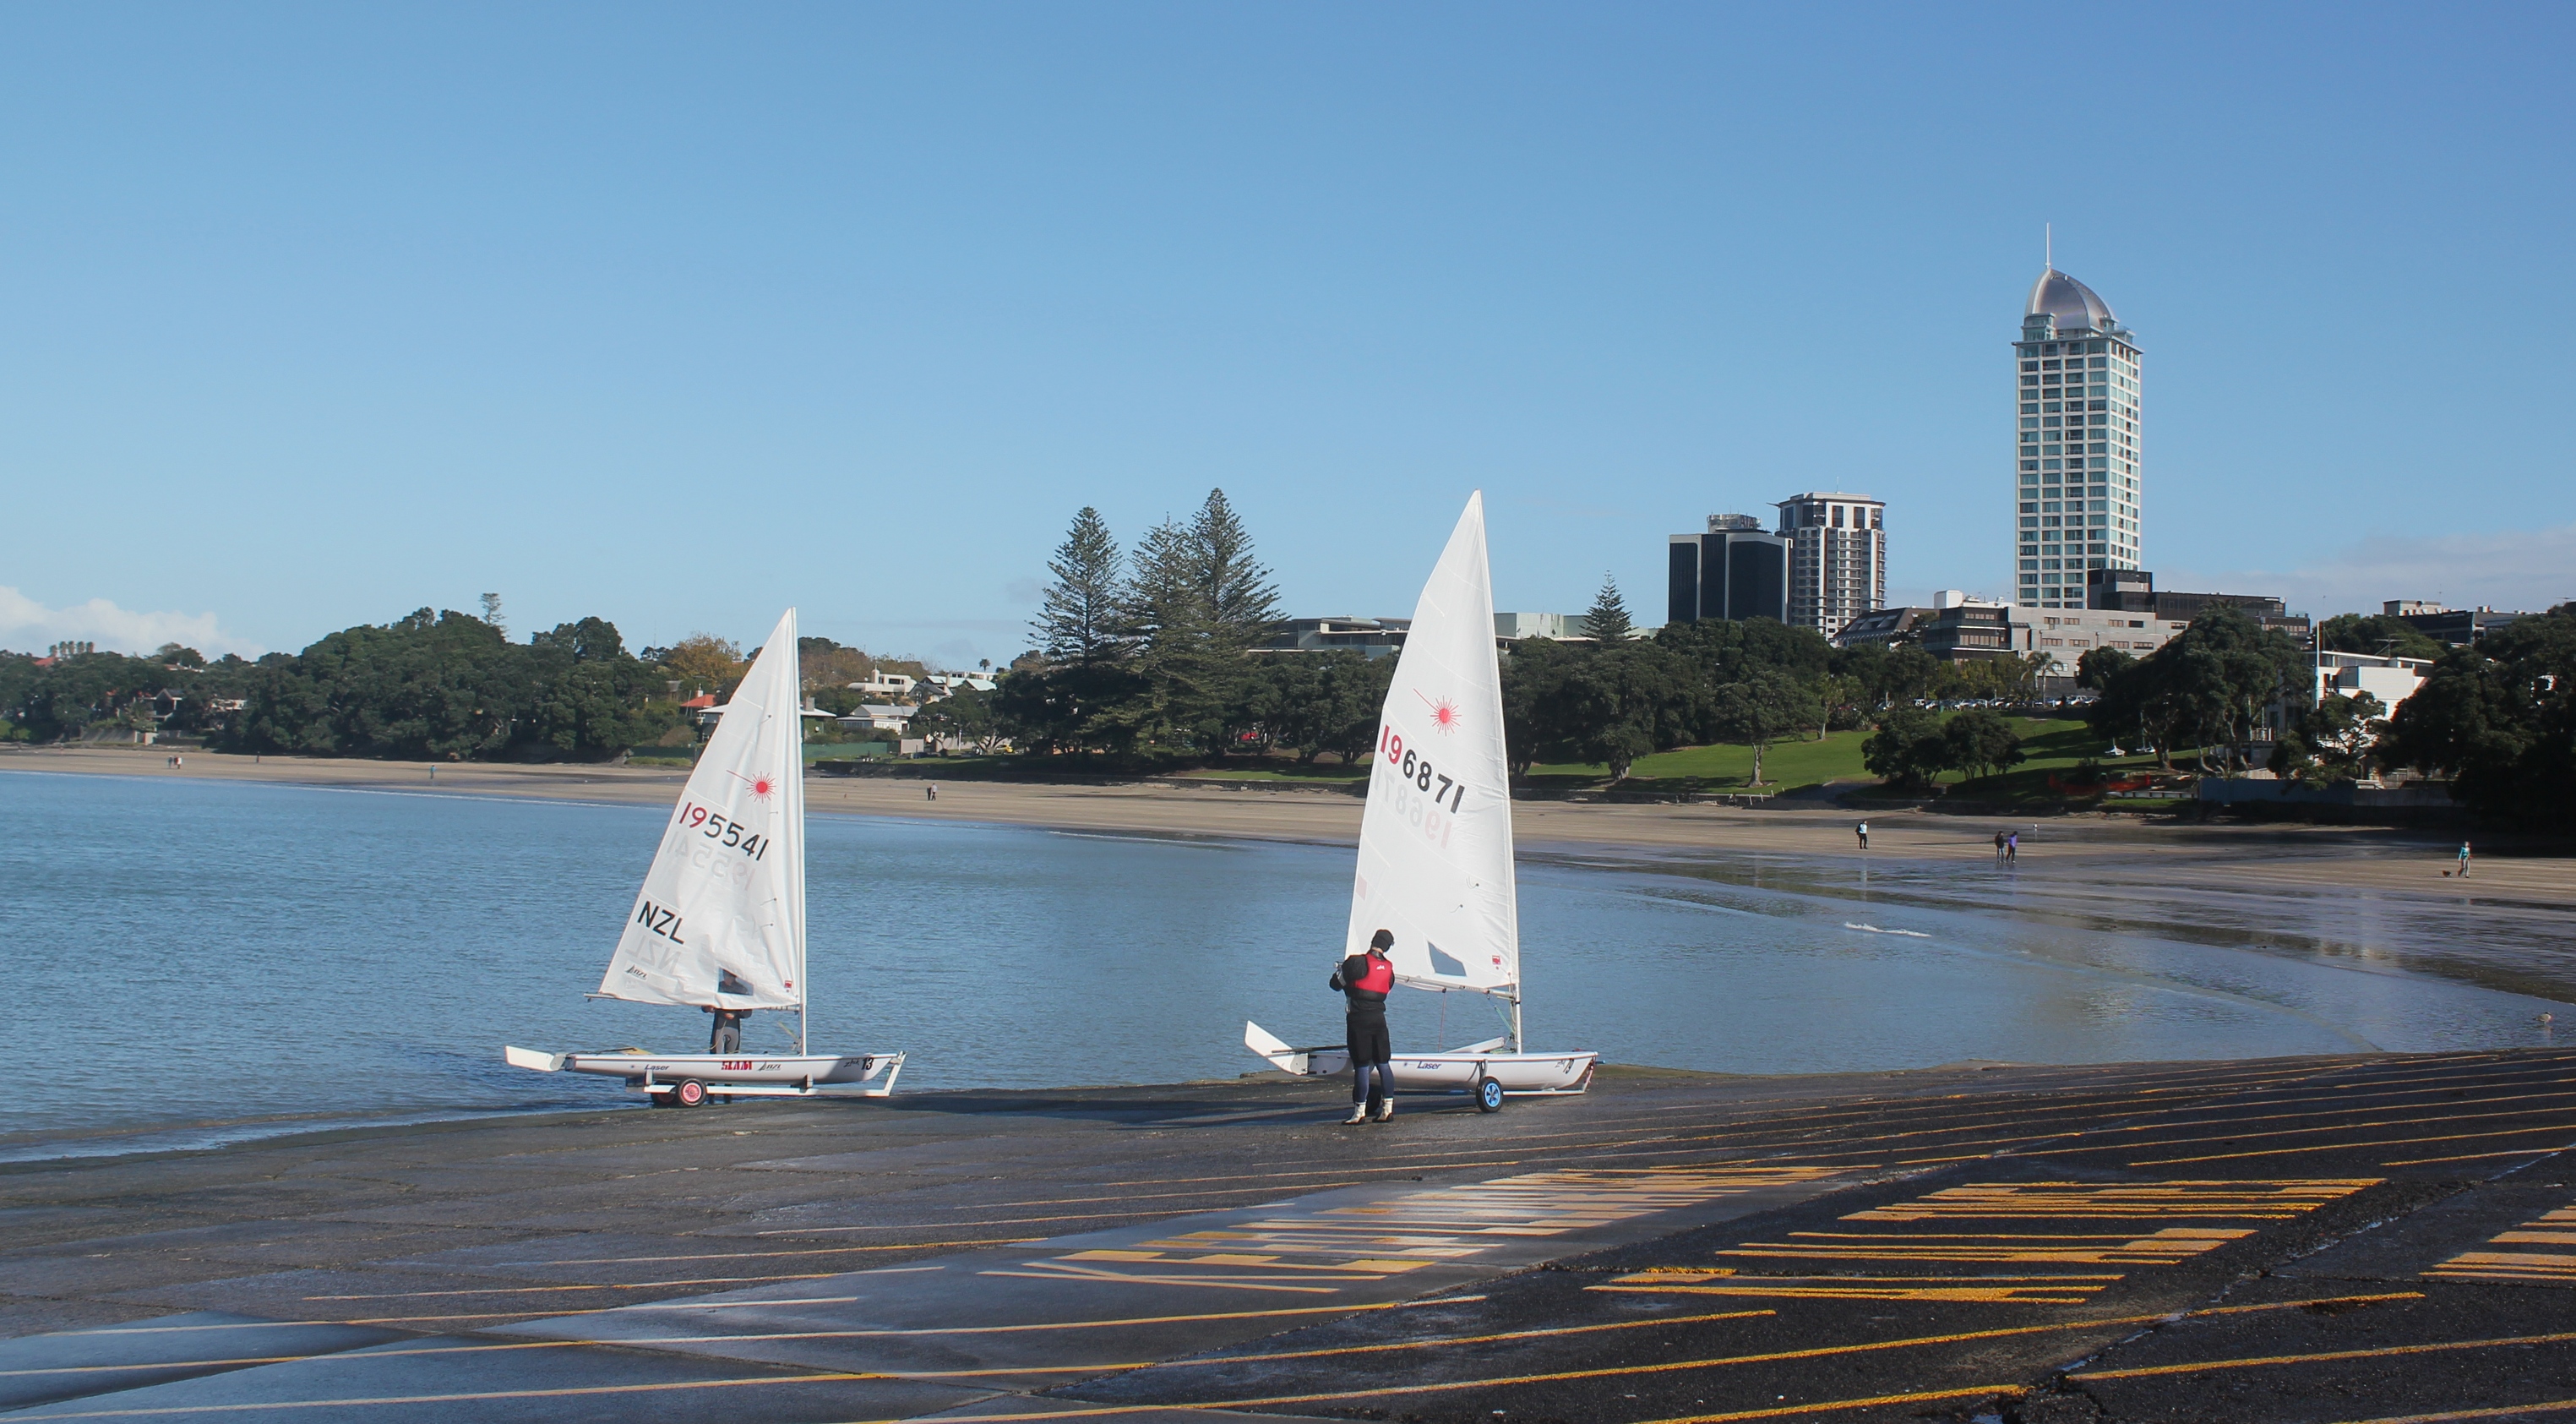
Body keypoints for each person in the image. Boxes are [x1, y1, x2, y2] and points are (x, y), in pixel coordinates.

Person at [1329, 930, 1398, 1124]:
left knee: (1361, 1065)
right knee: (1383, 1063)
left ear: (1372, 942)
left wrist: (1344, 973)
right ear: (1387, 947)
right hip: (1379, 1020)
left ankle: (1359, 1113)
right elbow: (1385, 988)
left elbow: (1334, 984)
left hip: (1359, 1020)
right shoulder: (1389, 969)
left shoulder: (1356, 962)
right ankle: (1388, 1110)